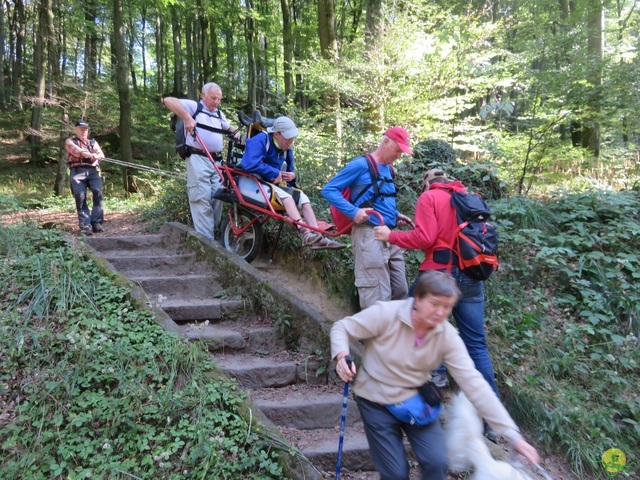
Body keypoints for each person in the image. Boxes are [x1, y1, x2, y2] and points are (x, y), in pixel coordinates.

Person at [331, 270, 540, 479]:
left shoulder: (446, 335)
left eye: (447, 307)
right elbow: (342, 328)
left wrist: (513, 436)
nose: (441, 312)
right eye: (435, 304)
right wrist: (341, 356)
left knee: (437, 461)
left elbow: (474, 382)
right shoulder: (387, 314)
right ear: (418, 299)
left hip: (416, 400)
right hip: (376, 400)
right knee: (395, 473)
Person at [373, 169, 501, 441]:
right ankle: (492, 422)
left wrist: (390, 236)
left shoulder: (430, 197)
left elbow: (425, 239)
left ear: (428, 183)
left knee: (406, 321)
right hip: (471, 277)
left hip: (438, 276)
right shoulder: (467, 198)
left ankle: (393, 387)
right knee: (477, 346)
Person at [322, 127, 413, 309]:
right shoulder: (361, 165)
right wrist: (353, 212)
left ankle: (390, 333)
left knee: (400, 289)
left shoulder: (389, 169)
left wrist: (395, 215)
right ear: (385, 142)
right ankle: (373, 335)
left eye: (402, 152)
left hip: (388, 234)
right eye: (397, 150)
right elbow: (329, 189)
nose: (399, 155)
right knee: (377, 295)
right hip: (368, 234)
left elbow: (378, 197)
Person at [241, 116, 345, 251]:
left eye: (292, 138)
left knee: (303, 198)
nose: (291, 141)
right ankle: (306, 234)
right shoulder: (261, 139)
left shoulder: (286, 148)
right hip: (256, 182)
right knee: (287, 198)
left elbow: (290, 170)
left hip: (277, 186)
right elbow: (249, 163)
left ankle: (318, 236)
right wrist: (273, 173)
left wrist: (292, 175)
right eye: (288, 138)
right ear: (277, 134)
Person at [163, 82, 240, 240]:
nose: (216, 102)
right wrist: (187, 118)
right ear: (203, 95)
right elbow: (168, 100)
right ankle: (207, 240)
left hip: (217, 161)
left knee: (218, 196)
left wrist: (238, 134)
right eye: (213, 98)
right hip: (198, 157)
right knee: (201, 196)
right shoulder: (194, 107)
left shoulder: (218, 113)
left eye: (218, 99)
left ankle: (215, 234)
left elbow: (228, 128)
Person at [65, 120, 106, 236]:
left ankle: (96, 223)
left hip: (93, 171)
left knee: (98, 193)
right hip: (77, 171)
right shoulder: (70, 141)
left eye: (86, 129)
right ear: (75, 129)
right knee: (80, 196)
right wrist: (89, 154)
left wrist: (96, 156)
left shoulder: (93, 142)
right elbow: (77, 151)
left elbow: (101, 155)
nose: (84, 131)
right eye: (81, 129)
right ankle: (85, 225)